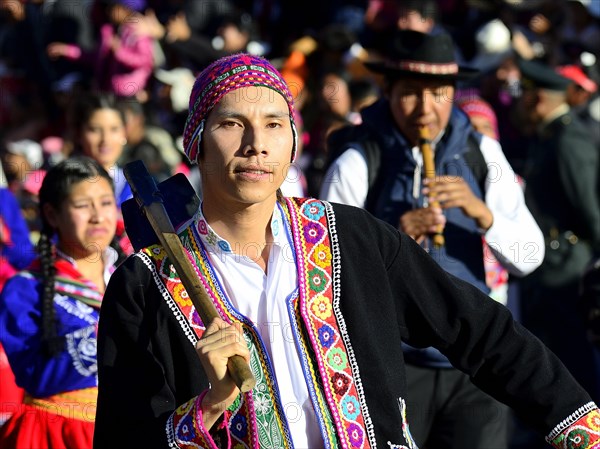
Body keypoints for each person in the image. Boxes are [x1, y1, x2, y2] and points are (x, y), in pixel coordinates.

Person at [94, 52, 600, 449]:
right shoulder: (145, 284)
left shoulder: (351, 238)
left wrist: (580, 425)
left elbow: (479, 331)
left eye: (274, 124)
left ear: (293, 141)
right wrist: (207, 408)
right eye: (230, 124)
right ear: (196, 143)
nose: (256, 144)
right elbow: (122, 438)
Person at [319, 31, 544, 449]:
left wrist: (484, 216)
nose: (426, 109)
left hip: (475, 365)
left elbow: (529, 258)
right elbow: (325, 271)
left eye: (439, 93)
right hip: (393, 366)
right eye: (410, 93)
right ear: (387, 90)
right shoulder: (357, 160)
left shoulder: (483, 152)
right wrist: (391, 241)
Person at [0, 156, 123, 448]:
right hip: (59, 434)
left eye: (105, 203)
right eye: (82, 205)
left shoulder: (133, 278)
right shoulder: (27, 289)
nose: (98, 216)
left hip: (128, 429)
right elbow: (35, 375)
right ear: (52, 215)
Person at [514, 57, 600, 448]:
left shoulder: (568, 140)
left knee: (573, 357)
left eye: (528, 94)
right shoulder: (550, 136)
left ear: (538, 100)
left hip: (568, 268)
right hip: (551, 267)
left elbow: (590, 208)